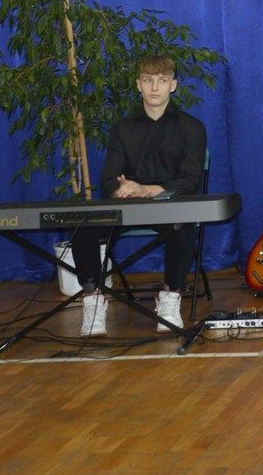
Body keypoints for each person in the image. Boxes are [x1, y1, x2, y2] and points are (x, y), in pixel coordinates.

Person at [72, 54, 208, 336]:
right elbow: (108, 181)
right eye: (148, 80)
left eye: (162, 80)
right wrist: (122, 189)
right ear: (138, 85)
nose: (154, 87)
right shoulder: (122, 129)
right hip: (128, 207)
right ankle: (94, 299)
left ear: (173, 85)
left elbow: (190, 180)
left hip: (169, 206)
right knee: (83, 228)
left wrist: (152, 189)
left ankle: (170, 298)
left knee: (182, 229)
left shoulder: (192, 128)